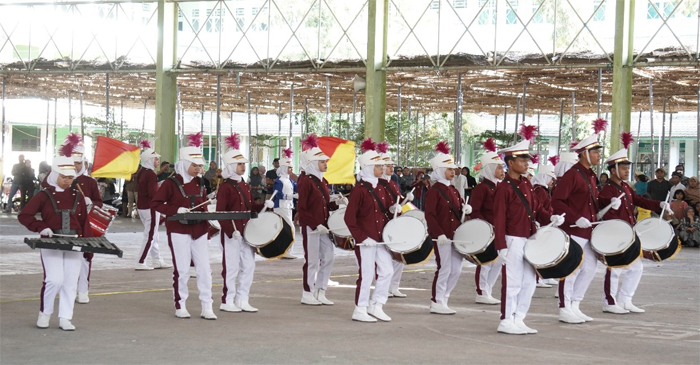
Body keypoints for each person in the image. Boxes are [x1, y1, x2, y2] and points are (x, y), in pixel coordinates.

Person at [493, 140, 563, 334]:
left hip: (529, 236)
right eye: (522, 160)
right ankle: (506, 320)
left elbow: (536, 209)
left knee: (530, 281)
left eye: (527, 160)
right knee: (513, 281)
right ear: (511, 162)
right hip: (512, 238)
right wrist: (501, 245)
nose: (526, 164)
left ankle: (519, 317)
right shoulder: (504, 187)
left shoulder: (526, 183)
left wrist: (551, 217)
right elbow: (498, 218)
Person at [18, 151, 92, 331]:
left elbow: (84, 222)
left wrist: (89, 247)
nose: (67, 181)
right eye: (64, 177)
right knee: (54, 280)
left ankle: (65, 317)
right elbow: (24, 215)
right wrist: (40, 227)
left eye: (70, 177)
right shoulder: (43, 195)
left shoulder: (77, 195)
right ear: (55, 175)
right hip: (50, 242)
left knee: (71, 282)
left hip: (75, 242)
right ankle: (45, 313)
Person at [151, 132, 217, 320]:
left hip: (200, 230)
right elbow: (156, 204)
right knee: (182, 269)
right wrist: (175, 209)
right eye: (195, 165)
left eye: (200, 165)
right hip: (179, 230)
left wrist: (209, 207)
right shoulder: (171, 183)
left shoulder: (202, 183)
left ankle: (207, 306)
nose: (198, 169)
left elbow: (202, 204)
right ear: (185, 165)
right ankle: (180, 304)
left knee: (204, 269)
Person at [598, 144, 666, 315]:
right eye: (623, 167)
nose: (627, 170)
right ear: (613, 170)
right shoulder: (607, 189)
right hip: (614, 234)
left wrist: (659, 204)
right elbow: (601, 206)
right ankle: (609, 302)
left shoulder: (626, 186)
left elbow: (638, 200)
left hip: (628, 232)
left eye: (627, 167)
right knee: (614, 268)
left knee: (636, 268)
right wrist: (609, 202)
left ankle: (625, 300)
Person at [552, 134, 606, 324]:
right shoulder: (573, 174)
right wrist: (576, 217)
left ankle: (575, 304)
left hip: (587, 229)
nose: (599, 155)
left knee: (590, 267)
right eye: (596, 152)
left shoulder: (590, 176)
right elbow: (557, 200)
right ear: (584, 154)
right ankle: (564, 307)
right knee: (570, 268)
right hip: (574, 229)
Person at [217, 133, 271, 313]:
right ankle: (227, 300)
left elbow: (250, 207)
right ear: (231, 166)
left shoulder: (244, 185)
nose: (243, 167)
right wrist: (229, 231)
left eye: (243, 164)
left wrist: (264, 205)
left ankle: (243, 298)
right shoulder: (225, 187)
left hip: (246, 233)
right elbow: (220, 213)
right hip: (232, 233)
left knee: (249, 267)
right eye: (239, 164)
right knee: (231, 268)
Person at [344, 138, 394, 322]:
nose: (382, 168)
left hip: (380, 239)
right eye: (378, 166)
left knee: (387, 270)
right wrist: (361, 237)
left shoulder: (381, 187)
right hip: (365, 240)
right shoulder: (359, 190)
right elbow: (349, 218)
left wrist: (393, 209)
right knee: (367, 275)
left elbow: (386, 208)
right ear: (367, 167)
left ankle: (377, 304)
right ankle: (360, 309)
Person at [297, 134, 345, 305]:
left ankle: (321, 290)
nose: (326, 164)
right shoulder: (306, 182)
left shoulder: (323, 180)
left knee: (329, 256)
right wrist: (314, 223)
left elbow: (323, 203)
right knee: (311, 260)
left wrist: (336, 202)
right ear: (312, 163)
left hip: (324, 226)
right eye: (322, 161)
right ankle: (307, 292)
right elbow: (302, 208)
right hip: (312, 227)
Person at [426, 141, 472, 315]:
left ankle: (445, 297)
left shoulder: (452, 188)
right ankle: (436, 300)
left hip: (456, 234)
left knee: (457, 269)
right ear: (439, 171)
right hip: (442, 236)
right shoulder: (435, 191)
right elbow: (430, 215)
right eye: (450, 169)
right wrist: (438, 233)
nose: (454, 172)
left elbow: (459, 206)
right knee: (444, 268)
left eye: (454, 169)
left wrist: (466, 209)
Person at [376, 142, 414, 299]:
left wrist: (406, 200)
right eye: (389, 165)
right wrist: (390, 208)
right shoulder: (377, 184)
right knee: (384, 259)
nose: (392, 168)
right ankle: (384, 287)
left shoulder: (393, 183)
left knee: (399, 257)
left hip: (396, 223)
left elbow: (399, 200)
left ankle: (394, 286)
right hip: (384, 225)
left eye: (392, 165)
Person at [470, 146, 504, 305]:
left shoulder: (500, 187)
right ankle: (482, 291)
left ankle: (488, 289)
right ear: (490, 169)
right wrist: (486, 227)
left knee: (498, 261)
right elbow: (475, 211)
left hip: (499, 230)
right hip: (487, 231)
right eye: (498, 167)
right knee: (485, 262)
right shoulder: (481, 188)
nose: (502, 170)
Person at [70, 140, 103, 305]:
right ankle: (68, 289)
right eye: (73, 162)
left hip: (84, 225)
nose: (76, 166)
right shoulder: (62, 178)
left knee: (85, 258)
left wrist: (92, 202)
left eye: (79, 163)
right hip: (66, 225)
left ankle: (83, 289)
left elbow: (99, 202)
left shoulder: (90, 182)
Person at [135, 142, 172, 271]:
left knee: (153, 234)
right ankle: (141, 261)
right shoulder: (150, 174)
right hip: (150, 208)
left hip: (142, 207)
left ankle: (157, 260)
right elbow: (153, 193)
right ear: (150, 160)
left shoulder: (142, 171)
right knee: (150, 235)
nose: (158, 161)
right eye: (156, 159)